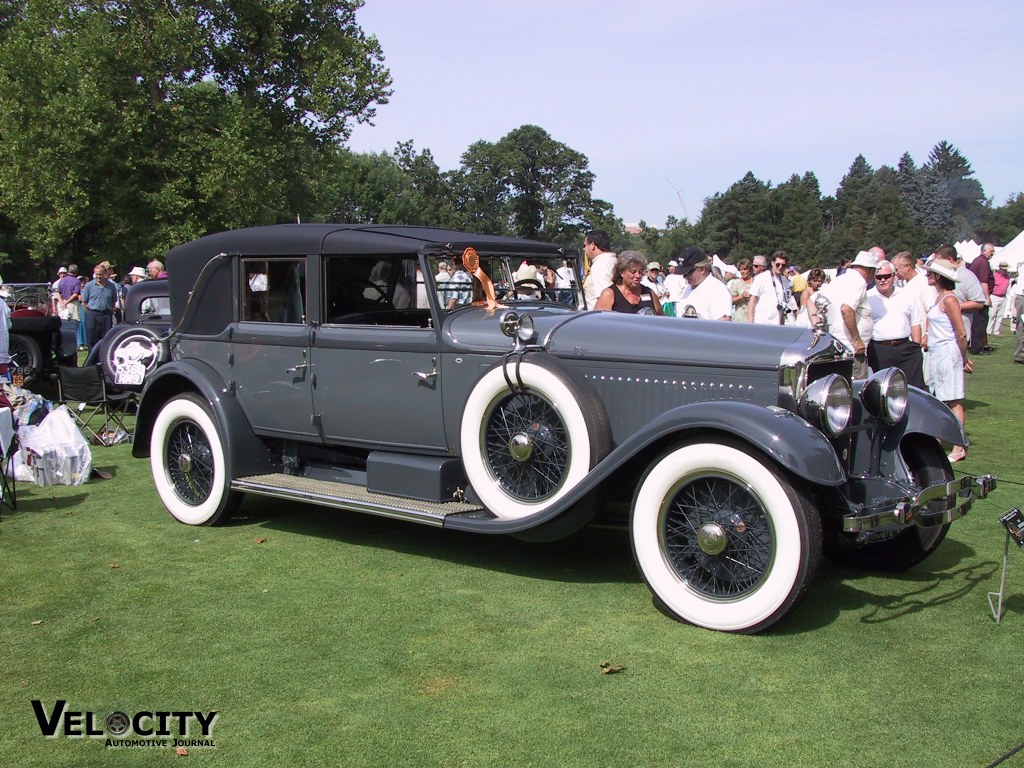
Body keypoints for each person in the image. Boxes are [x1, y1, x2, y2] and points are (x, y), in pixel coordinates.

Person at [921, 259, 972, 462]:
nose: (927, 276)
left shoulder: (950, 300)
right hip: (937, 351)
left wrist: (963, 357)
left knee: (953, 399)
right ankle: (938, 441)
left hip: (948, 352)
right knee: (940, 397)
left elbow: (960, 332)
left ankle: (959, 446)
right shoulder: (939, 298)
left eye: (930, 273)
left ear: (939, 277)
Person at [866, 260, 925, 389]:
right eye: (879, 277)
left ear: (894, 276)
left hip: (906, 349)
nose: (883, 280)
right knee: (883, 389)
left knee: (913, 389)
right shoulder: (867, 298)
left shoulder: (907, 295)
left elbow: (915, 323)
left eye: (886, 276)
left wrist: (916, 347)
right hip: (879, 350)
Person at [819, 250, 877, 379]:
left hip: (836, 345)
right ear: (870, 270)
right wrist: (857, 340)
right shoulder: (859, 282)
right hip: (852, 350)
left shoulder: (837, 281)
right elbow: (846, 309)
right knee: (856, 390)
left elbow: (814, 302)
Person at [594, 251, 663, 315]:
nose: (638, 276)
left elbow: (662, 320)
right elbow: (599, 323)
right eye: (633, 272)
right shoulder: (609, 294)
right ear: (621, 272)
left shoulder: (649, 293)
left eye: (640, 272)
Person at [674, 247, 732, 320]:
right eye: (684, 274)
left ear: (702, 269)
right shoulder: (688, 288)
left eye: (688, 272)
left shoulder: (717, 290)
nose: (685, 277)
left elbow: (723, 325)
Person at [80, 262, 119, 352]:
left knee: (106, 338)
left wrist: (110, 310)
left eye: (100, 274)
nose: (98, 276)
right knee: (92, 338)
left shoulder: (111, 286)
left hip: (106, 314)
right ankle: (92, 359)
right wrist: (89, 313)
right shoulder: (89, 286)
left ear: (105, 273)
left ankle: (104, 358)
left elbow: (113, 301)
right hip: (93, 314)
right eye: (96, 274)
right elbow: (84, 302)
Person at [748, 250, 794, 325]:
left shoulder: (784, 280)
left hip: (776, 324)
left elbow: (782, 303)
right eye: (778, 264)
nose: (780, 267)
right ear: (772, 263)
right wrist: (750, 322)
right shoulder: (761, 278)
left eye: (783, 265)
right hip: (761, 322)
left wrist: (782, 325)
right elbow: (752, 300)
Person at [967, 243, 995, 354]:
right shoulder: (983, 262)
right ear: (984, 251)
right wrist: (987, 298)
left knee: (978, 322)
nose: (992, 253)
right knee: (980, 323)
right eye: (991, 251)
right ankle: (977, 348)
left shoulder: (978, 260)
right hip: (980, 296)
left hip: (976, 295)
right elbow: (984, 281)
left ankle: (978, 346)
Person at [581, 230, 616, 309]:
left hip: (599, 318)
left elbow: (604, 299)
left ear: (592, 245)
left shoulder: (599, 266)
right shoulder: (614, 261)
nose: (584, 249)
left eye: (584, 245)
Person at [727, 258, 754, 322]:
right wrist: (741, 296)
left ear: (750, 270)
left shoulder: (756, 282)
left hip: (754, 316)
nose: (742, 271)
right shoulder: (736, 283)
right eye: (741, 270)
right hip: (740, 317)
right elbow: (731, 301)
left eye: (745, 269)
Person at [989, 261, 1011, 336]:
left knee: (1000, 315)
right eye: (1004, 269)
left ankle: (996, 331)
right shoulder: (994, 276)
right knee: (992, 314)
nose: (1005, 270)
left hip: (1003, 297)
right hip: (994, 296)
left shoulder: (1007, 277)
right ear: (1000, 268)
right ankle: (989, 330)